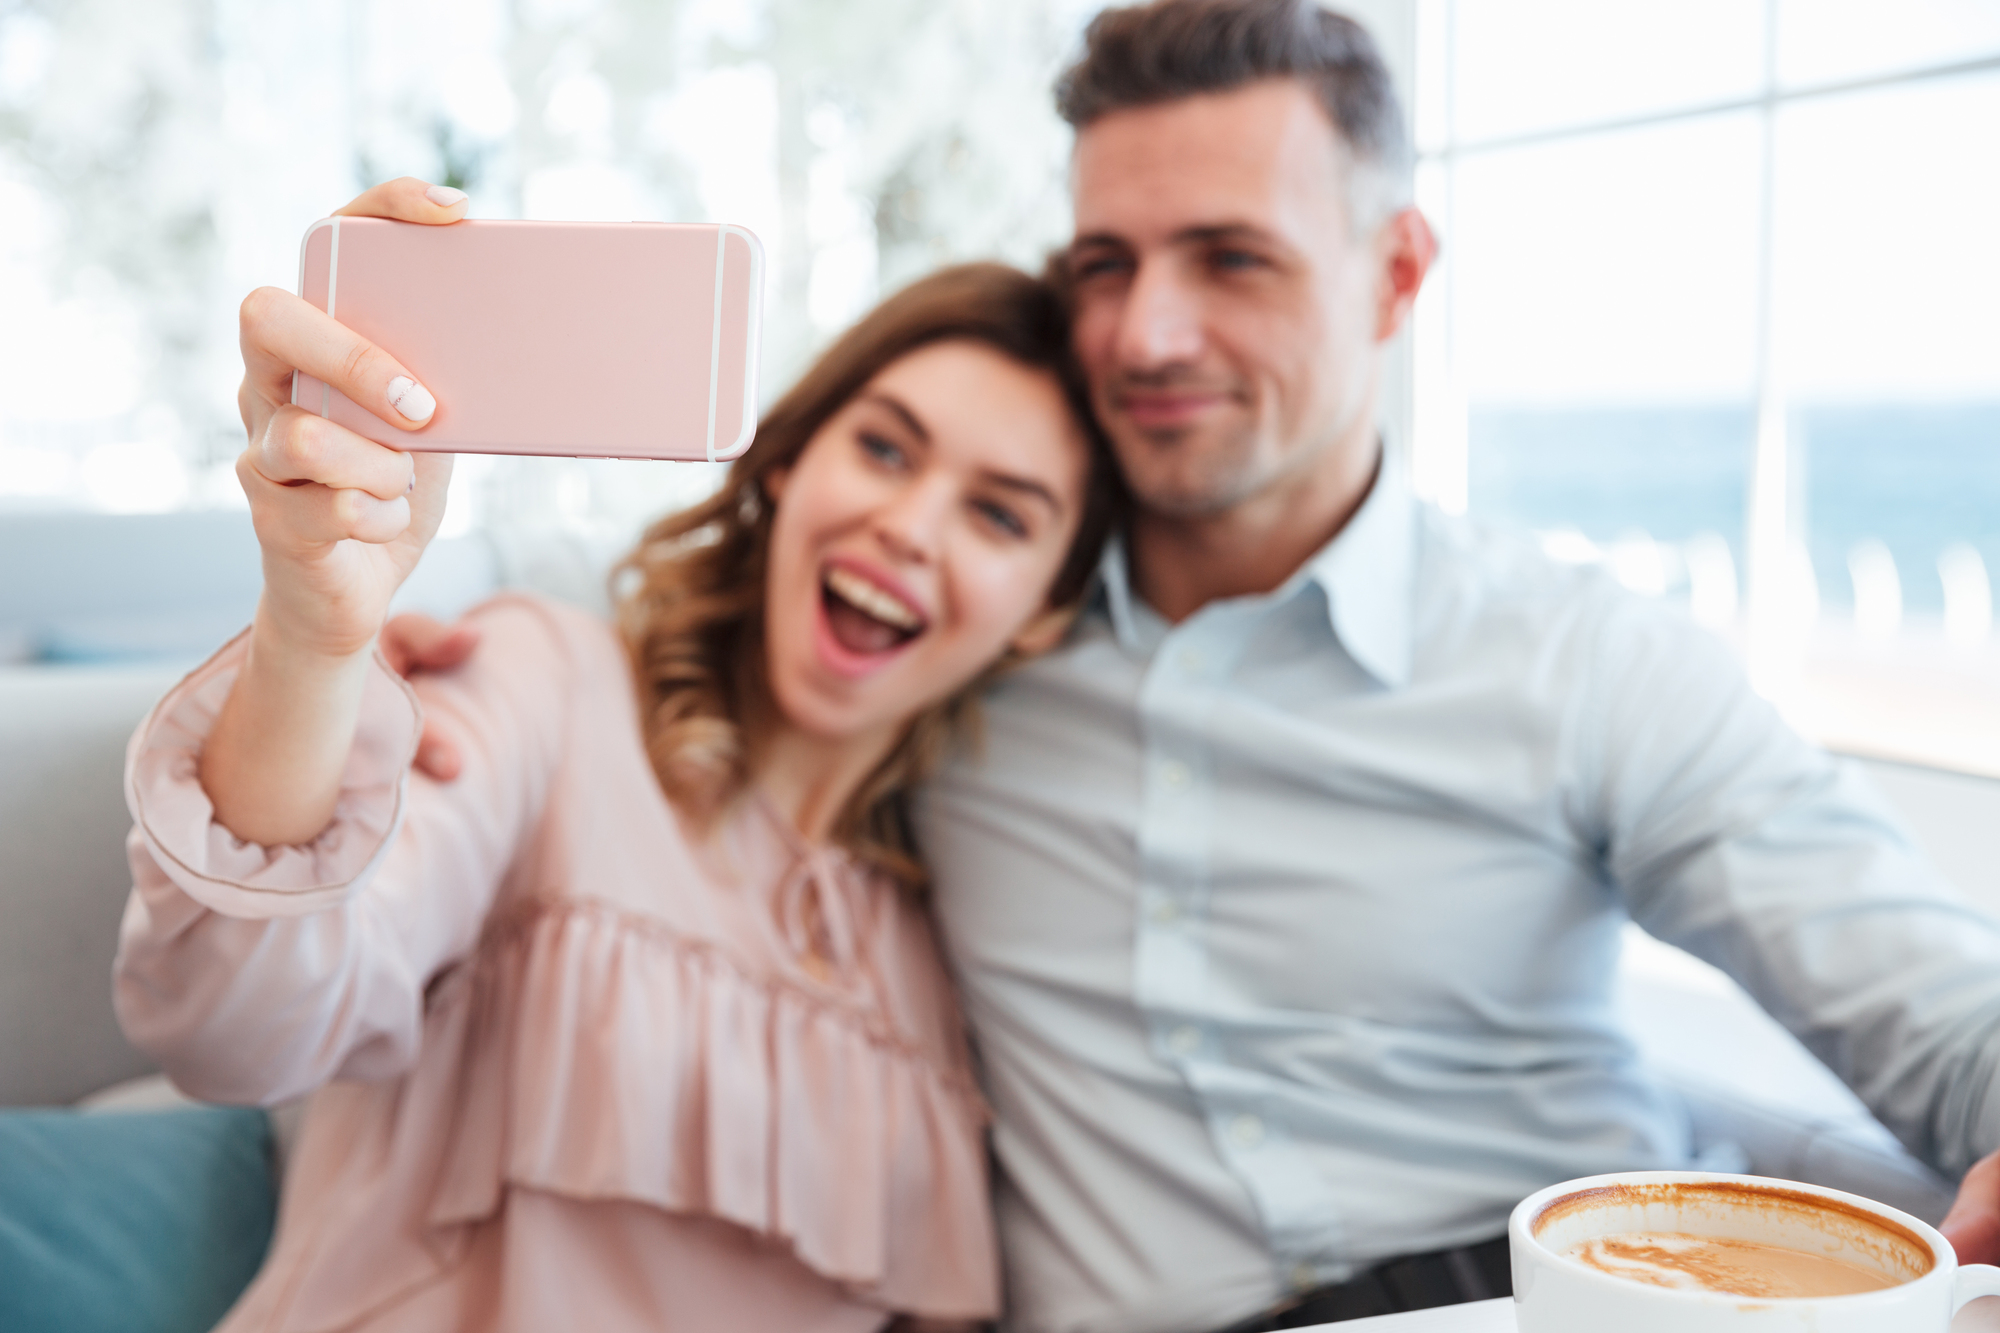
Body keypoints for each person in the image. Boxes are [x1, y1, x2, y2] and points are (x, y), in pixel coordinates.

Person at [387, 4, 2000, 1331]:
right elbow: (699, 664)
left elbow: (1930, 999)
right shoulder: (963, 641)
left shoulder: (1586, 661)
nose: (1146, 334)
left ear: (1398, 274)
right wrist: (373, 656)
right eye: (1105, 261)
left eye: (1232, 257)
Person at [111, 176, 1119, 1333]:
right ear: (787, 462)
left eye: (999, 515)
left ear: (1045, 607)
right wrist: (310, 633)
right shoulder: (546, 684)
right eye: (886, 449)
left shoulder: (933, 965)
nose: (910, 525)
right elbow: (230, 1028)